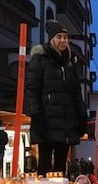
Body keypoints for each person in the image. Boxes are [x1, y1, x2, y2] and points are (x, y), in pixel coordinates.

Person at [25, 20, 87, 174]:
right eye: (59, 37)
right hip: (46, 120)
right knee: (44, 164)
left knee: (61, 165)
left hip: (66, 122)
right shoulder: (40, 59)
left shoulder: (70, 63)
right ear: (52, 39)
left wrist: (82, 117)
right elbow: (32, 89)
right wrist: (36, 114)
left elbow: (76, 93)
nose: (62, 41)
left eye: (65, 37)